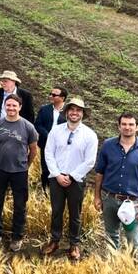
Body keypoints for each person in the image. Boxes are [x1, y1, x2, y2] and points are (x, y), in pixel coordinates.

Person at [41, 97, 98, 260]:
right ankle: (55, 240)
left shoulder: (90, 135)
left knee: (75, 213)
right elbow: (48, 153)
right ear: (66, 112)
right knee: (56, 211)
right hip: (56, 179)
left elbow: (90, 161)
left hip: (76, 181)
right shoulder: (56, 131)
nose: (74, 113)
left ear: (82, 114)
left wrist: (72, 176)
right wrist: (57, 174)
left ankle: (74, 244)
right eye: (71, 109)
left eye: (78, 110)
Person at [94, 113, 138, 251]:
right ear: (119, 126)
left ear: (137, 127)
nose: (127, 127)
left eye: (131, 124)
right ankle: (111, 268)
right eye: (124, 124)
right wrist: (97, 196)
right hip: (109, 199)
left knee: (133, 241)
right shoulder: (108, 145)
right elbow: (99, 173)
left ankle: (135, 271)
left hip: (132, 203)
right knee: (111, 237)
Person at [0, 94, 38, 252]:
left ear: (20, 107)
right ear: (4, 106)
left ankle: (17, 236)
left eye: (14, 106)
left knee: (20, 205)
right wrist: (2, 158)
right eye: (8, 105)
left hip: (19, 172)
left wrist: (25, 164)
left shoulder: (28, 127)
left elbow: (33, 150)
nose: (11, 108)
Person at [34, 86, 68, 193]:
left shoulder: (69, 112)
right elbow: (38, 124)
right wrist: (48, 135)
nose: (50, 96)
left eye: (54, 95)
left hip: (62, 145)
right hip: (46, 143)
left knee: (60, 168)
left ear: (62, 98)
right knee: (45, 167)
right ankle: (45, 190)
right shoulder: (44, 109)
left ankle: (57, 190)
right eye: (50, 94)